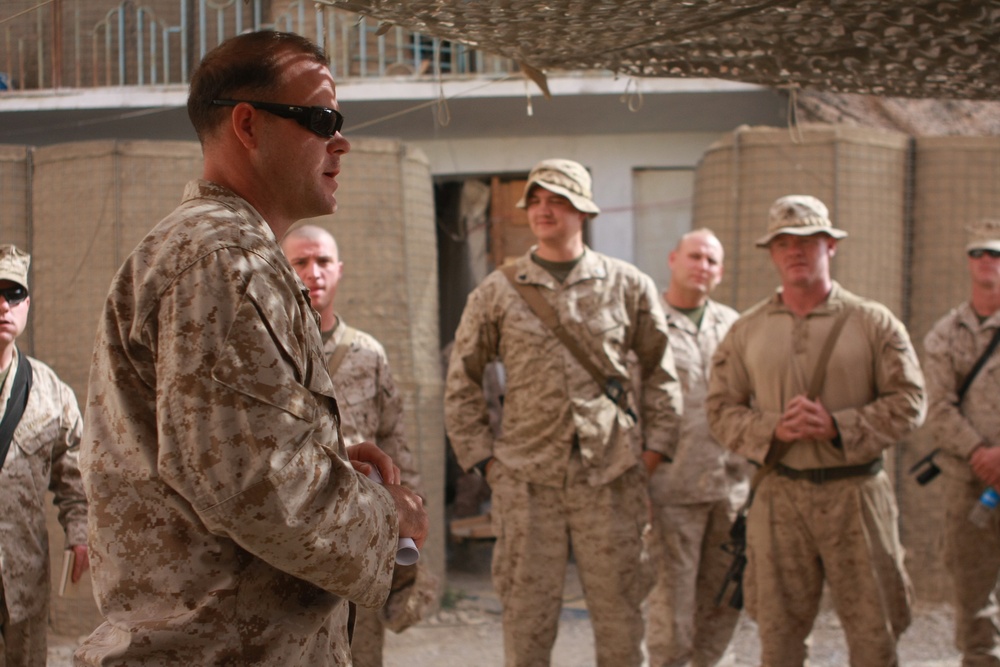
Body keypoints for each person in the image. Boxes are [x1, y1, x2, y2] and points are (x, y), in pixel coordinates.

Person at [76, 31, 427, 666]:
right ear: (247, 124)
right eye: (321, 120)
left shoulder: (225, 251)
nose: (340, 141)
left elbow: (215, 457)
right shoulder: (225, 260)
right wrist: (388, 513)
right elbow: (256, 487)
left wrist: (324, 457)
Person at [444, 158, 683, 666]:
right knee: (528, 625)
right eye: (535, 200)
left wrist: (654, 452)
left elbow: (663, 372)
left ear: (584, 211)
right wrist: (487, 464)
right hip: (528, 480)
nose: (543, 210)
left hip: (612, 477)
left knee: (621, 622)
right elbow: (462, 379)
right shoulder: (498, 290)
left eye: (557, 200)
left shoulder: (627, 285)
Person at [705, 195, 926, 666]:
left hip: (857, 496)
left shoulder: (873, 322)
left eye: (807, 241)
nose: (795, 252)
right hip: (780, 497)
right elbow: (720, 409)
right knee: (779, 641)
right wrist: (774, 429)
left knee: (874, 636)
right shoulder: (747, 331)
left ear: (831, 246)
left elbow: (910, 403)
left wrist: (838, 426)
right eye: (783, 243)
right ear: (771, 253)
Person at [281, 224, 426, 667]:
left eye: (323, 261)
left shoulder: (368, 353)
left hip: (360, 535)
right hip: (290, 535)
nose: (313, 272)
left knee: (361, 653)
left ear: (339, 269)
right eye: (300, 262)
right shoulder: (272, 349)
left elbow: (396, 443)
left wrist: (411, 523)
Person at [645, 229, 749, 667]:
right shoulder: (648, 324)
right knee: (672, 612)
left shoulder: (736, 326)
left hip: (732, 491)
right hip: (673, 491)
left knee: (726, 600)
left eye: (711, 260)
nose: (702, 266)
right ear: (672, 259)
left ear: (720, 272)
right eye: (694, 256)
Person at [0, 244, 89, 667]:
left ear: (27, 303)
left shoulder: (50, 394)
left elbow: (77, 476)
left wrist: (81, 534)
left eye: (13, 293)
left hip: (22, 580)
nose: (3, 304)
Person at [923, 218, 1000, 665]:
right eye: (979, 254)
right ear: (968, 263)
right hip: (970, 484)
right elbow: (938, 408)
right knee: (973, 593)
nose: (987, 261)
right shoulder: (945, 334)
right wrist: (981, 454)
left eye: (995, 254)